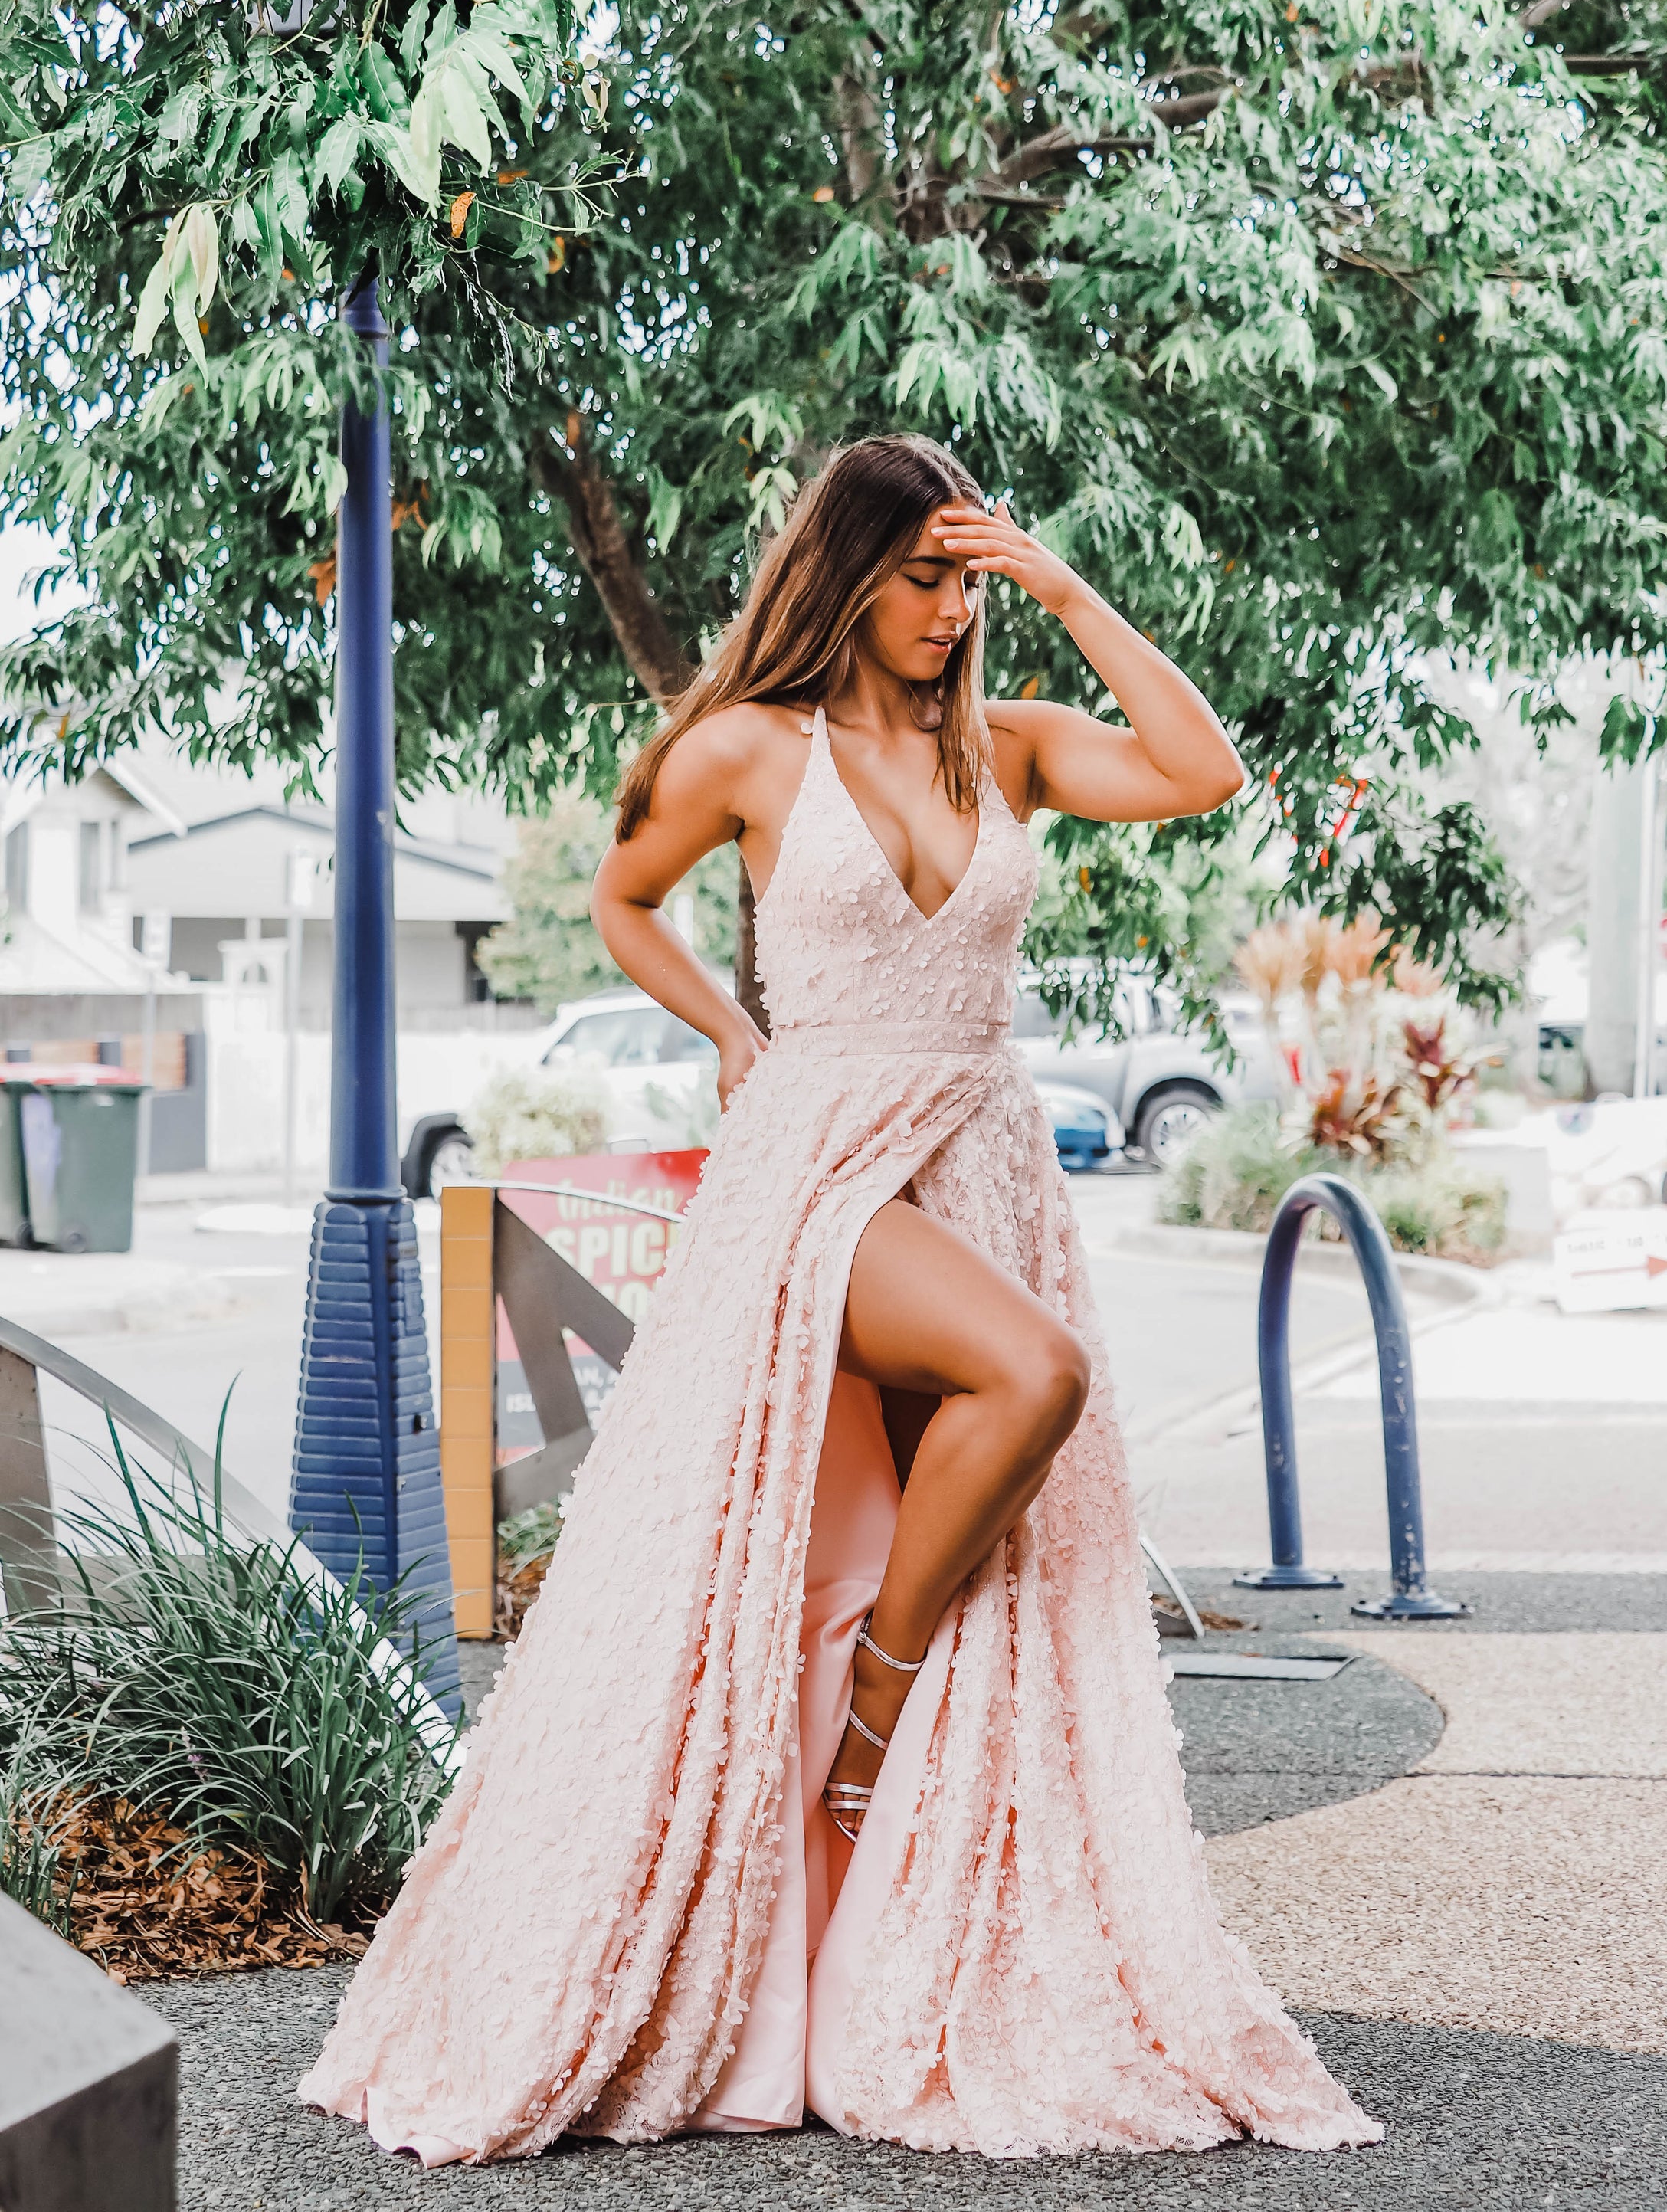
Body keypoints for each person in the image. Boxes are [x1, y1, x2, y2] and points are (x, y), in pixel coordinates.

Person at [300, 435, 1380, 2161]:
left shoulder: (1009, 744)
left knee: (934, 1489)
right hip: (818, 1161)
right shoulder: (745, 744)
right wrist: (727, 1031)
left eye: (966, 584)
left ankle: (861, 1921)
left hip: (980, 1150)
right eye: (924, 578)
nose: (950, 614)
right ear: (845, 573)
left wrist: (1057, 581)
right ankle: (870, 1729)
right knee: (1031, 1378)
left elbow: (1203, 769)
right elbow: (623, 898)